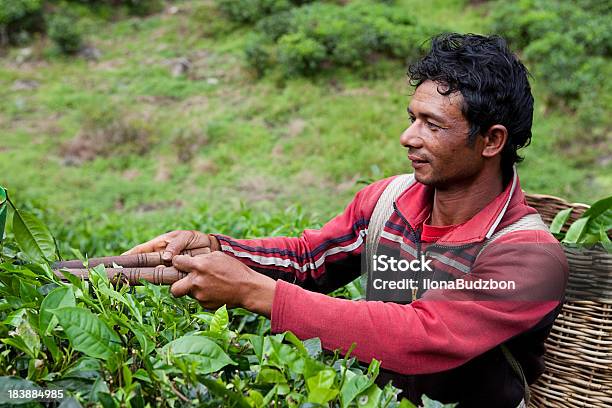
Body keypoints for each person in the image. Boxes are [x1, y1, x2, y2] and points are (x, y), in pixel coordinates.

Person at [124, 33, 567, 407]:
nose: (407, 137)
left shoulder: (528, 258)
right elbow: (308, 261)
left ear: (491, 141)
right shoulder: (389, 201)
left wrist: (257, 293)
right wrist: (216, 249)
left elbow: (423, 336)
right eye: (412, 118)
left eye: (431, 125)